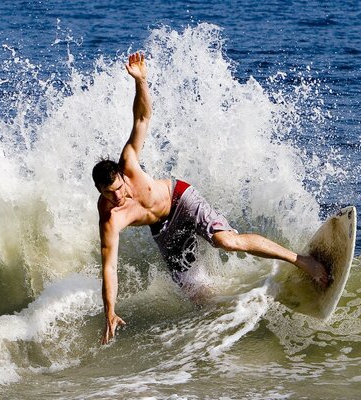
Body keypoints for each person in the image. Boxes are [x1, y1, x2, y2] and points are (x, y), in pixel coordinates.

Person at [93, 52, 328, 345]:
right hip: (164, 231)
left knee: (226, 241)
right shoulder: (110, 218)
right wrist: (110, 311)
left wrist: (141, 81)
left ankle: (301, 260)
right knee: (199, 297)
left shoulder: (128, 163)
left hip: (181, 199)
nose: (117, 196)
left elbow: (142, 117)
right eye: (109, 194)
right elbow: (109, 267)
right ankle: (245, 315)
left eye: (118, 188)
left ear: (120, 177)